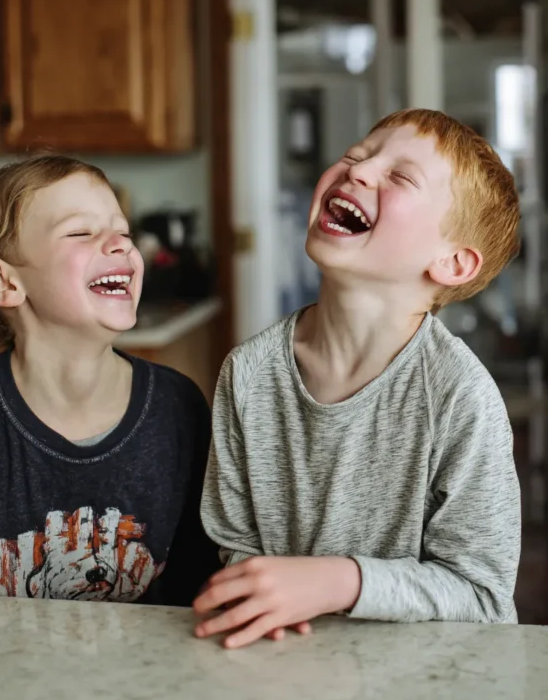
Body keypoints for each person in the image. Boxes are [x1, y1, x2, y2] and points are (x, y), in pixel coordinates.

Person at [196, 108, 521, 648]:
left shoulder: (459, 395)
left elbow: (484, 597)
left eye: (401, 176)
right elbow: (237, 546)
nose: (358, 172)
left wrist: (342, 581)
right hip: (291, 666)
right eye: (356, 155)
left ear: (453, 263)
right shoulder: (248, 374)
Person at [0, 155, 218, 604]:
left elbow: (196, 582)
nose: (122, 244)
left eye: (123, 232)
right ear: (3, 281)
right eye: (80, 232)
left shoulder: (177, 406)